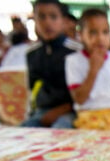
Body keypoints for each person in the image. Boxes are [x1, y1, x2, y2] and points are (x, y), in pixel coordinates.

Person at [65, 8, 110, 130]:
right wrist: (93, 70)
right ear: (80, 35)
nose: (100, 38)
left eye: (105, 32)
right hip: (89, 115)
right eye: (93, 32)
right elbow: (79, 99)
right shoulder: (73, 61)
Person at [22, 0, 82, 128]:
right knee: (23, 132)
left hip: (72, 110)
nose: (47, 22)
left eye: (53, 17)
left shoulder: (77, 51)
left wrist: (60, 111)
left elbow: (84, 92)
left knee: (60, 129)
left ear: (64, 21)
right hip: (43, 111)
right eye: (41, 17)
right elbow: (33, 89)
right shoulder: (32, 53)